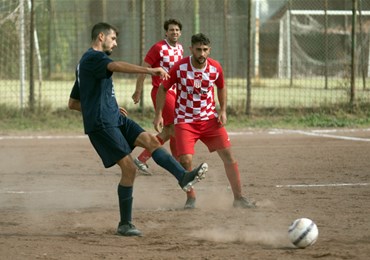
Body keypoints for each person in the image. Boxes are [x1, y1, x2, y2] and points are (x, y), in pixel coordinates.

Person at [68, 23, 208, 237]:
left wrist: (105, 104)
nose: (115, 43)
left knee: (152, 142)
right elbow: (116, 66)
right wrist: (150, 70)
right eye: (113, 39)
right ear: (101, 37)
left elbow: (73, 103)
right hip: (102, 124)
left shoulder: (84, 63)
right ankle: (125, 224)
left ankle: (183, 177)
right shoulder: (93, 58)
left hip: (114, 117)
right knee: (129, 169)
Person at [153, 33, 256, 209]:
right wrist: (158, 114)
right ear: (191, 49)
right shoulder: (180, 67)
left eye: (205, 50)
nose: (201, 53)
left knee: (229, 156)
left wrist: (222, 110)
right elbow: (163, 89)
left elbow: (222, 87)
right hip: (185, 121)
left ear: (209, 50)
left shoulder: (215, 68)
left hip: (209, 120)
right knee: (185, 160)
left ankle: (238, 198)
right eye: (198, 49)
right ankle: (191, 198)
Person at [132, 18, 183, 175]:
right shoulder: (158, 48)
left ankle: (142, 159)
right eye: (171, 30)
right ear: (166, 32)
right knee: (175, 127)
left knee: (171, 129)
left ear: (180, 33)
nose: (174, 32)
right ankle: (177, 163)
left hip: (175, 92)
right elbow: (143, 69)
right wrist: (138, 90)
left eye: (177, 30)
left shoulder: (180, 48)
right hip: (161, 91)